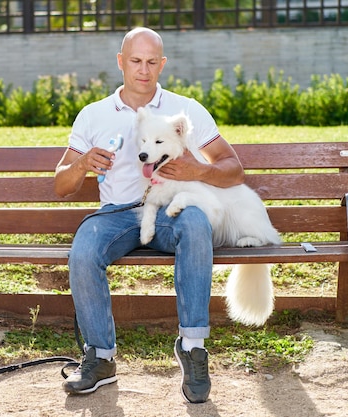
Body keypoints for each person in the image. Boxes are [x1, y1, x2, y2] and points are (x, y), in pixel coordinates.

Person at [53, 27, 245, 403]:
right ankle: (101, 357)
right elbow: (61, 185)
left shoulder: (185, 109)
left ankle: (193, 348)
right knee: (84, 247)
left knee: (195, 222)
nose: (143, 70)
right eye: (136, 61)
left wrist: (198, 170)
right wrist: (82, 165)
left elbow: (233, 169)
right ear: (121, 61)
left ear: (163, 64)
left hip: (172, 211)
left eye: (151, 62)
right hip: (118, 214)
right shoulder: (94, 115)